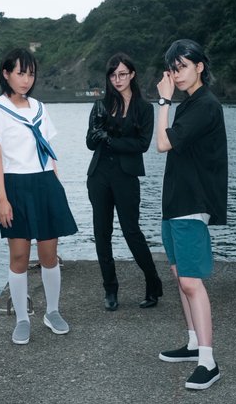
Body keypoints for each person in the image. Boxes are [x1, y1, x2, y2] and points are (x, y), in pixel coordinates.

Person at [0, 48, 78, 345]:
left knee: (49, 254)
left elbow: (48, 149)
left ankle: (52, 311)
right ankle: (22, 318)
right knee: (19, 256)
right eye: (20, 73)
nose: (26, 80)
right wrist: (2, 199)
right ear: (6, 73)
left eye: (31, 74)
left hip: (45, 183)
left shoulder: (39, 107)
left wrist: (56, 186)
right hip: (15, 186)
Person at [155, 39, 227, 390]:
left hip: (192, 203)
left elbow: (162, 143)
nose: (177, 73)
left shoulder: (205, 105)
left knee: (190, 281)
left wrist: (163, 102)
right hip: (176, 201)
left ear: (200, 66)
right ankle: (194, 342)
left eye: (182, 66)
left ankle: (208, 362)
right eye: (173, 68)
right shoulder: (190, 104)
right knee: (178, 273)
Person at [86, 53, 163, 311]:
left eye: (122, 74)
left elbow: (141, 145)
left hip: (126, 176)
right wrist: (97, 128)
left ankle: (152, 281)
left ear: (132, 74)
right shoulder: (100, 105)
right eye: (112, 75)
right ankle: (110, 289)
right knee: (101, 233)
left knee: (131, 231)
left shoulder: (144, 108)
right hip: (99, 175)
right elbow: (90, 143)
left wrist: (109, 138)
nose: (117, 80)